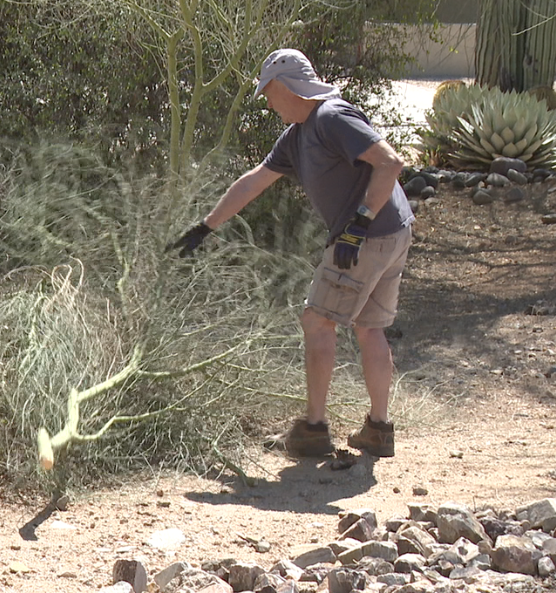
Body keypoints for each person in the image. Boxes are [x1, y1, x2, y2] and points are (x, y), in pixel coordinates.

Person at [168, 49, 414, 458]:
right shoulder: (298, 135)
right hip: (393, 231)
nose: (266, 101)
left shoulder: (331, 117)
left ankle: (314, 429)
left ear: (285, 86)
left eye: (268, 92)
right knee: (369, 328)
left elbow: (390, 162)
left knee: (317, 321)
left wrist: (359, 223)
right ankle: (379, 429)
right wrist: (205, 226)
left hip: (367, 237)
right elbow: (254, 182)